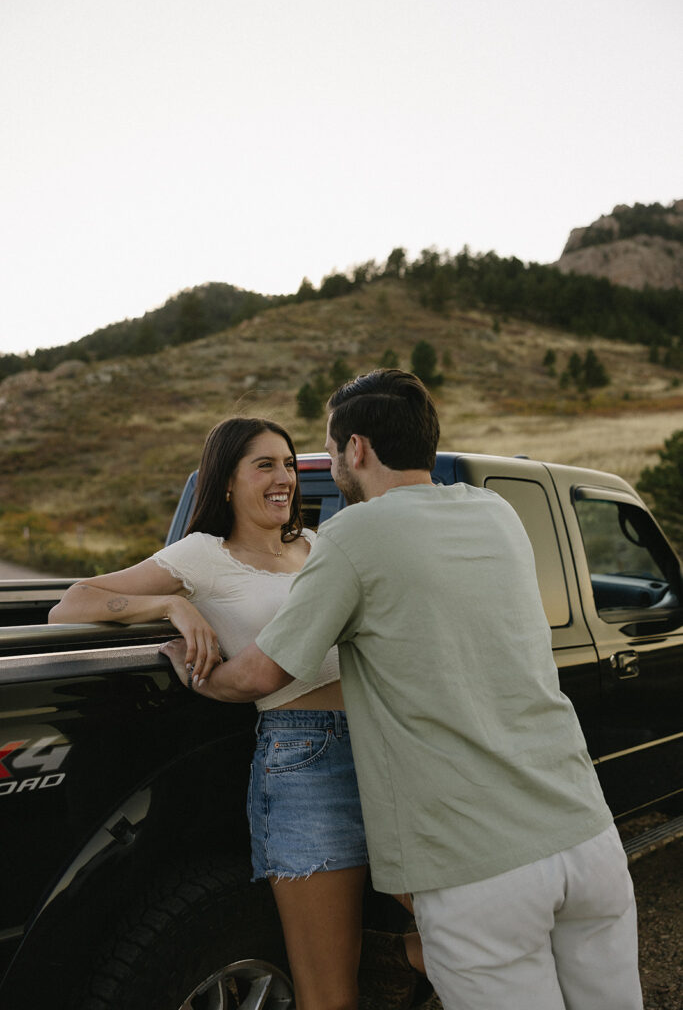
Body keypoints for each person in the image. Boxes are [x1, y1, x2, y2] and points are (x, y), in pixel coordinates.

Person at [187, 371, 644, 1010]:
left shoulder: (353, 535)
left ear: (358, 450)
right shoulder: (498, 514)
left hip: (477, 866)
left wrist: (190, 662)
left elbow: (262, 675)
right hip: (586, 839)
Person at [49, 416, 424, 1010]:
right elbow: (72, 604)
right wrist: (171, 603)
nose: (285, 478)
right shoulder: (202, 556)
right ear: (226, 482)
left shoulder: (319, 545)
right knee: (330, 990)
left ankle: (397, 956)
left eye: (291, 464)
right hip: (304, 763)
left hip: (385, 747)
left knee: (469, 922)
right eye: (265, 465)